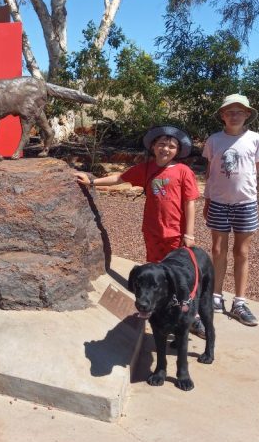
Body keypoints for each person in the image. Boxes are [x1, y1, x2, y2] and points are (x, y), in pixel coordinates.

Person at [74, 126, 205, 337]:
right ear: (153, 146)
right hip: (153, 233)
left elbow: (190, 203)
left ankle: (192, 316)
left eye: (172, 146)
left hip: (176, 235)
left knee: (180, 277)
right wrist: (92, 182)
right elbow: (120, 178)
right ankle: (162, 313)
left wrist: (189, 234)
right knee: (157, 276)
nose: (166, 148)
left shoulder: (183, 171)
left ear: (178, 150)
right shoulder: (146, 168)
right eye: (161, 144)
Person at [203, 94, 259, 327]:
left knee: (242, 252)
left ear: (247, 114)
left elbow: (255, 170)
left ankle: (239, 302)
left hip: (245, 203)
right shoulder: (213, 140)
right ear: (222, 115)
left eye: (239, 111)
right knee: (218, 249)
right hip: (219, 201)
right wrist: (207, 199)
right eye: (229, 111)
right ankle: (216, 297)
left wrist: (245, 192)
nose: (234, 115)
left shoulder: (255, 139)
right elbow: (210, 171)